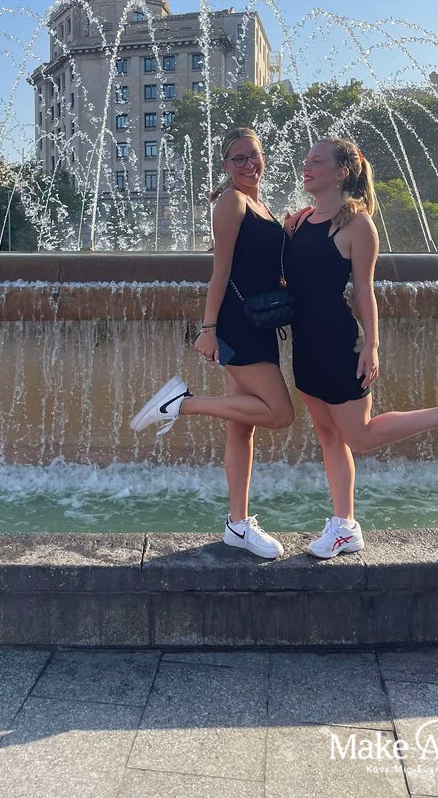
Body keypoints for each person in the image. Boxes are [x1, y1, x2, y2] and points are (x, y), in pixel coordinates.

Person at [284, 137, 438, 559]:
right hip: (304, 344)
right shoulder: (300, 221)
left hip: (337, 342)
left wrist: (372, 344)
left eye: (317, 161)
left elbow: (364, 290)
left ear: (341, 172)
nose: (306, 167)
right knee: (329, 436)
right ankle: (344, 527)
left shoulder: (356, 225)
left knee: (360, 437)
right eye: (306, 160)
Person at [130, 127, 294, 559]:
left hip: (259, 322)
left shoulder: (261, 204)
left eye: (254, 156)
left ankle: (237, 524)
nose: (249, 164)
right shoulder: (231, 202)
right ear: (225, 165)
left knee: (242, 426)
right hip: (239, 324)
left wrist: (290, 230)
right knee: (280, 413)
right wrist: (207, 328)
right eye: (239, 158)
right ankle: (180, 404)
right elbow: (219, 270)